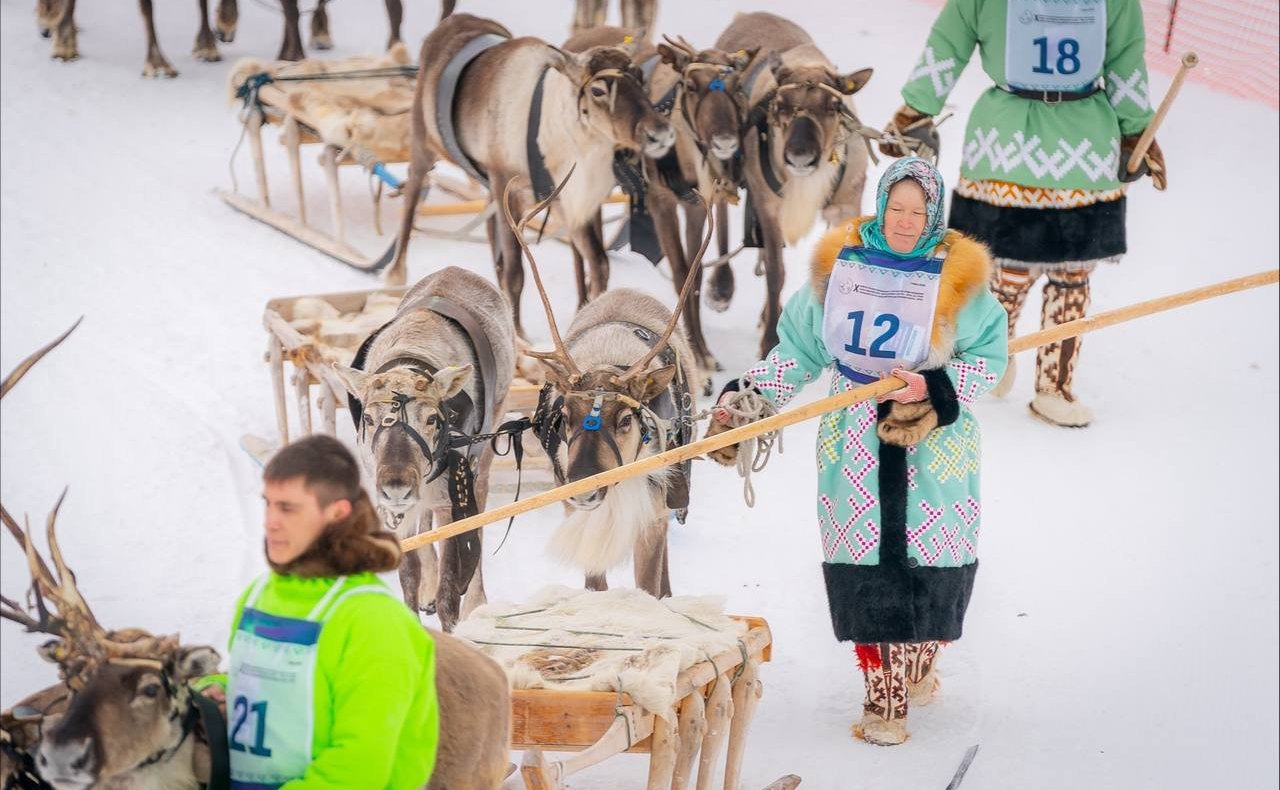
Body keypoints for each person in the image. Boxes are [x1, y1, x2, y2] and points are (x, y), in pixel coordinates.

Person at [705, 158, 1007, 745]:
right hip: (853, 437)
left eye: (918, 212)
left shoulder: (960, 279)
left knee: (932, 558)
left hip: (933, 441)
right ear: (880, 205)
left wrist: (935, 386)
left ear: (935, 215)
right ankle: (882, 698)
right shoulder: (839, 270)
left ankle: (917, 659)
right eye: (896, 207)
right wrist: (751, 399)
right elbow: (798, 347)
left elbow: (989, 360)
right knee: (863, 558)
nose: (905, 220)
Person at [881, 0, 1164, 426]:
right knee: (1001, 267)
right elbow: (948, 43)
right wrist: (915, 110)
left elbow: (1125, 59)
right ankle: (994, 355)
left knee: (1070, 274)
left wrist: (1137, 128)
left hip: (1076, 145)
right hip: (1009, 139)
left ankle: (1053, 386)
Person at [220, 434, 439, 788]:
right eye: (268, 504)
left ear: (336, 513)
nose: (270, 522)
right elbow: (262, 692)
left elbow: (359, 765)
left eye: (288, 508)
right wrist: (216, 691)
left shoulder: (373, 620)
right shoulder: (259, 595)